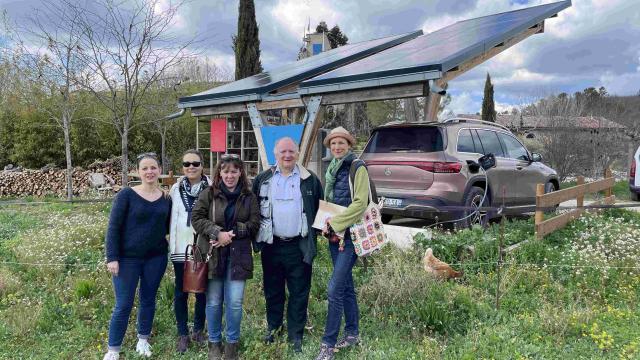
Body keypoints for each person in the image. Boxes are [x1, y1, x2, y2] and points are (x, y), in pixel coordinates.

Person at [252, 137, 323, 353]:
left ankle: (295, 336)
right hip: (272, 245)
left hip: (298, 246)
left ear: (298, 153)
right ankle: (274, 329)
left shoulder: (310, 180)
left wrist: (316, 235)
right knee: (273, 291)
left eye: (291, 151)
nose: (287, 155)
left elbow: (320, 209)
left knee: (299, 292)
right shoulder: (264, 179)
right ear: (276, 154)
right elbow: (253, 208)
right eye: (283, 151)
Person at [103, 153, 172, 360]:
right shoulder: (126, 195)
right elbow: (113, 227)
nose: (149, 172)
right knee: (123, 304)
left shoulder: (166, 198)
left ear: (159, 170)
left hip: (156, 258)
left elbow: (169, 227)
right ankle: (113, 349)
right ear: (138, 171)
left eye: (153, 167)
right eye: (145, 168)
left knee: (148, 300)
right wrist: (112, 257)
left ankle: (143, 339)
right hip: (127, 260)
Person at [191, 154, 260, 360]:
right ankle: (214, 343)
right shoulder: (208, 194)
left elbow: (254, 224)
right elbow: (196, 219)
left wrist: (230, 235)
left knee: (235, 303)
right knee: (213, 302)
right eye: (226, 171)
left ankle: (232, 345)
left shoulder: (249, 197)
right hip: (212, 255)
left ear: (241, 173)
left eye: (234, 171)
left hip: (238, 257)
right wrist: (216, 232)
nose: (230, 175)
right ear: (219, 173)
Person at [315, 127, 370, 360]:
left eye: (341, 143)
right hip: (335, 237)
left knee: (334, 289)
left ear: (349, 144)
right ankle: (352, 333)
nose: (337, 147)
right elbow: (330, 201)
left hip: (351, 237)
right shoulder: (332, 169)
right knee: (345, 286)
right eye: (333, 143)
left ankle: (327, 344)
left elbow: (360, 203)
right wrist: (324, 225)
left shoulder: (358, 167)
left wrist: (335, 222)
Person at [169, 149, 211, 353]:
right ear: (182, 167)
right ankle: (183, 333)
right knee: (181, 292)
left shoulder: (211, 188)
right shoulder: (175, 190)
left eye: (195, 163)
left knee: (202, 290)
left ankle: (199, 330)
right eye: (187, 164)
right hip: (180, 246)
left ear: (202, 165)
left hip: (203, 247)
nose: (191, 167)